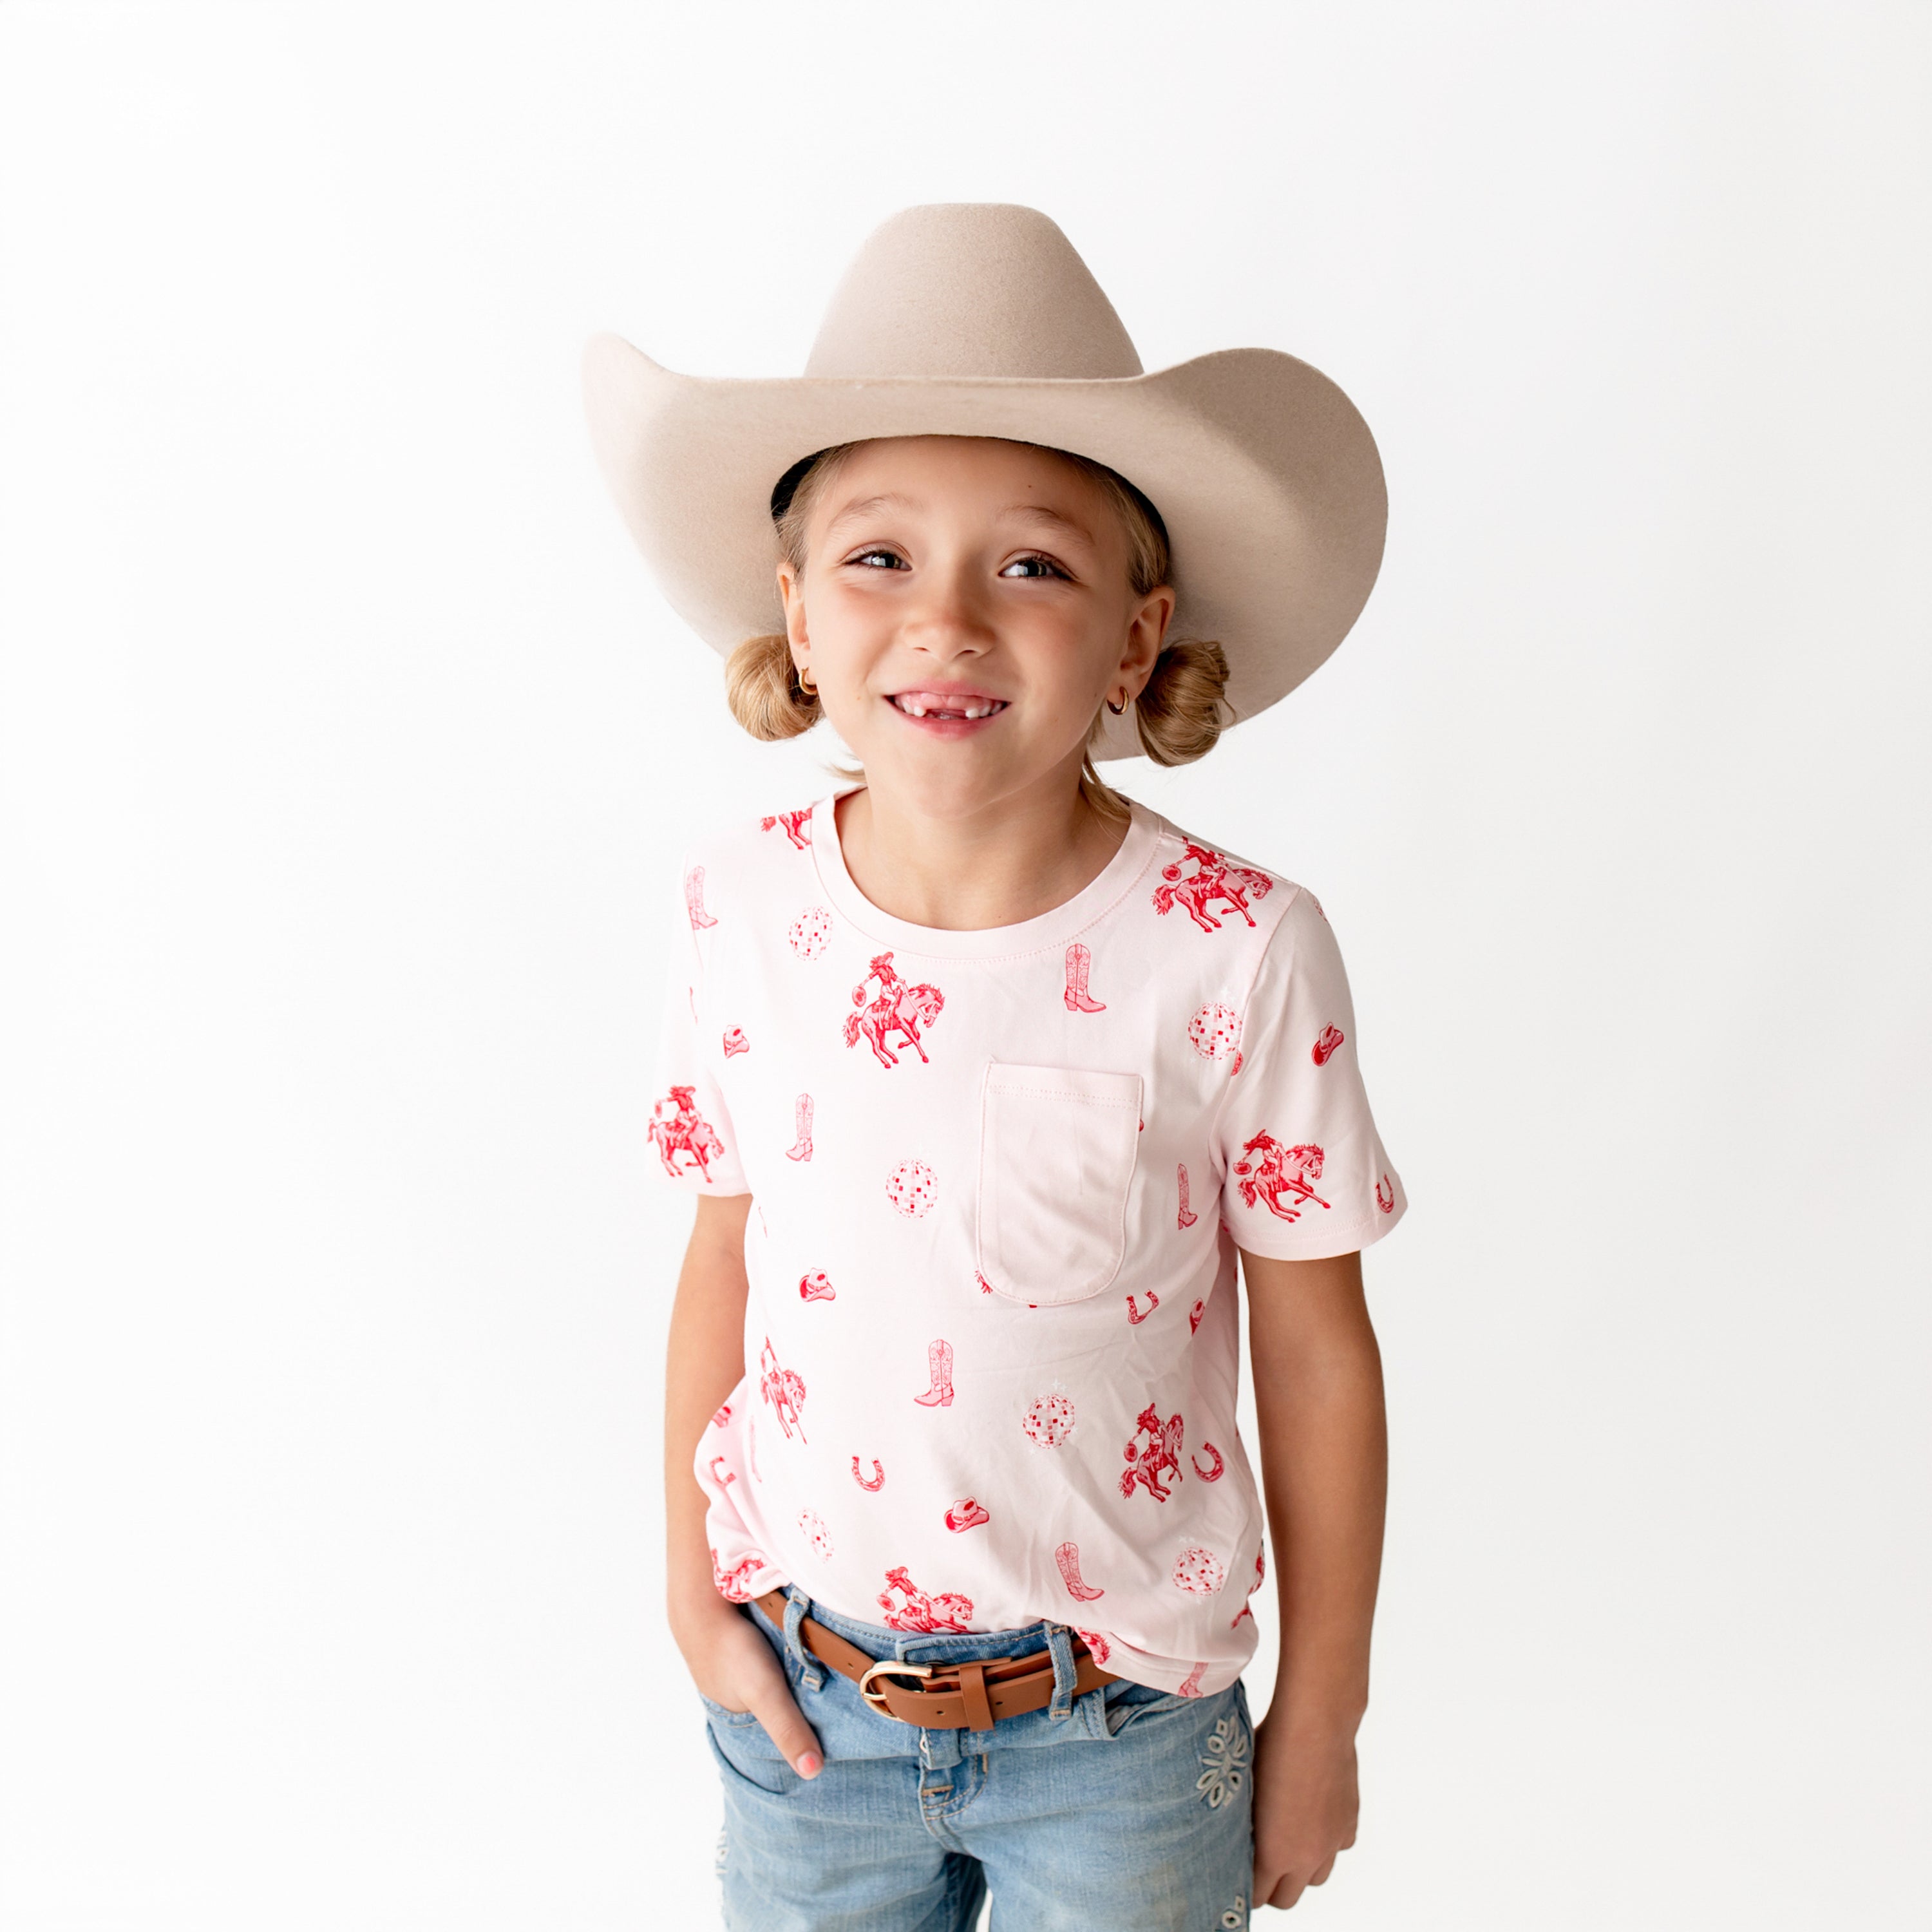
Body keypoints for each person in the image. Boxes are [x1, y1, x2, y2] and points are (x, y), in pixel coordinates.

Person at [584, 204, 1406, 1930]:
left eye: (1031, 563)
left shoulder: (1228, 947)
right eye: (880, 558)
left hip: (1121, 1730)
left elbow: (1315, 1353)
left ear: (1135, 634)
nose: (947, 618)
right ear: (797, 617)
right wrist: (687, 1585)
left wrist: (1319, 1713)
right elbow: (726, 1259)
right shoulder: (740, 911)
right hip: (807, 1717)